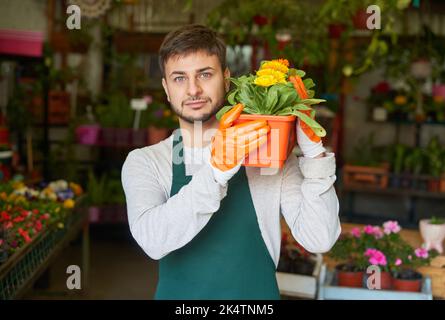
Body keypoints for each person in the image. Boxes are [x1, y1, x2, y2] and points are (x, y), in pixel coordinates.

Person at [121, 24, 340, 300]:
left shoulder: (269, 156)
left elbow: (319, 239)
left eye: (204, 74)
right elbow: (152, 241)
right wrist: (216, 171)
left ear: (226, 79)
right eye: (179, 78)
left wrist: (314, 153)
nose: (193, 89)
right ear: (166, 88)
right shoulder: (146, 162)